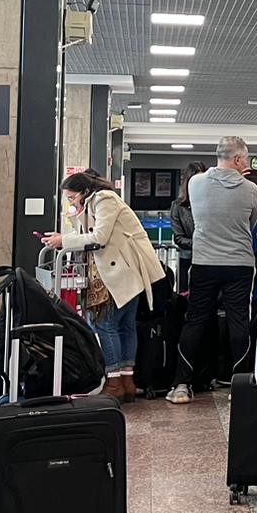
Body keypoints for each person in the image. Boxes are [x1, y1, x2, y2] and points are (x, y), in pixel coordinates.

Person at [46, 170, 165, 403]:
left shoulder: (104, 199)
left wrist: (64, 240)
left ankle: (114, 382)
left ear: (83, 192)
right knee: (124, 326)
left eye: (71, 197)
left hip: (120, 272)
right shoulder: (95, 202)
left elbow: (99, 236)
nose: (70, 202)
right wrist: (78, 214)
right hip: (127, 271)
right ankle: (127, 381)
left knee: (105, 324)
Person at [167, 136, 257, 404]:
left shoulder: (196, 183)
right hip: (240, 265)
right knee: (238, 322)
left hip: (204, 262)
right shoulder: (250, 188)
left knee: (195, 321)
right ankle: (240, 386)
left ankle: (182, 384)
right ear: (239, 159)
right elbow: (251, 222)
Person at [169, 160, 206, 291]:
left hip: (209, 260)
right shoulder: (178, 206)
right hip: (188, 259)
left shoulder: (210, 203)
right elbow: (178, 238)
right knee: (186, 298)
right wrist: (200, 244)